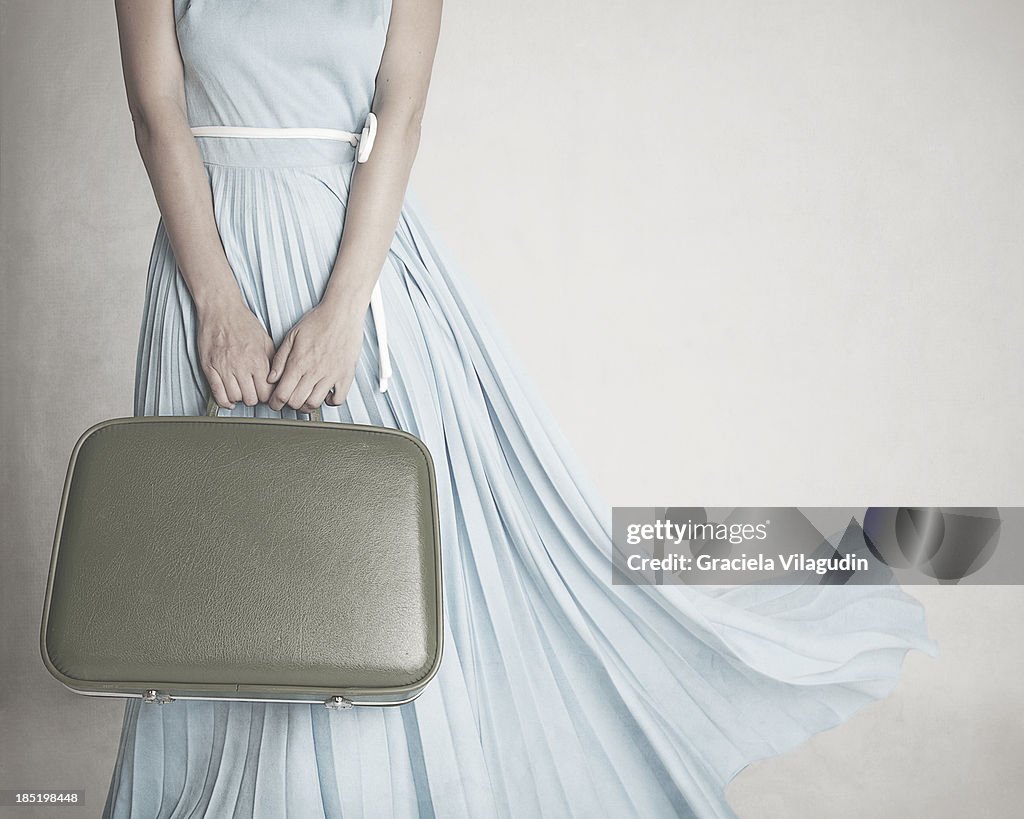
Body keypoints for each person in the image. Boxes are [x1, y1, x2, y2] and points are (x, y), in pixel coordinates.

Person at [103, 1, 937, 817]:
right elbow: (157, 110)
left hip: (356, 278)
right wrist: (215, 302)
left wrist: (344, 308)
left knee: (388, 564)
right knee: (212, 557)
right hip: (210, 263)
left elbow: (402, 113)